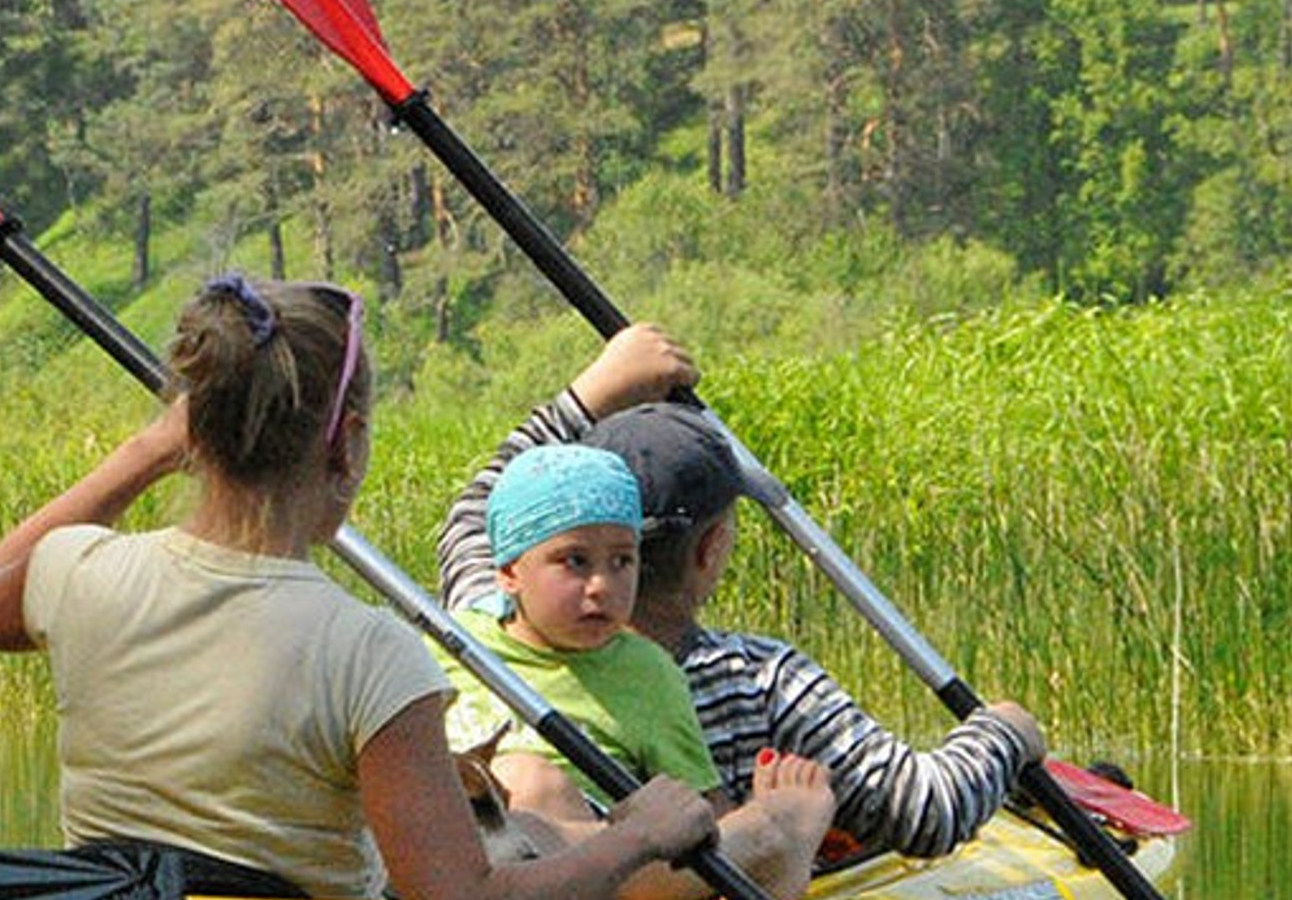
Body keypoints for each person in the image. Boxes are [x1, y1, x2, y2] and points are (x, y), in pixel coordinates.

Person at [0, 274, 717, 900]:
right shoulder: (371, 650)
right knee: (565, 832)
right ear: (348, 444)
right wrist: (633, 838)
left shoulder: (81, 571)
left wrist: (150, 449)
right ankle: (771, 832)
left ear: (197, 430)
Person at [438, 323, 1047, 860]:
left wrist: (591, 391)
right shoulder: (761, 681)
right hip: (613, 894)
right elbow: (924, 811)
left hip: (548, 871)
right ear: (711, 549)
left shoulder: (484, 611)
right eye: (577, 560)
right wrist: (1005, 733)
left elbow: (474, 509)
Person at [441, 440, 836, 900]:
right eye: (575, 561)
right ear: (509, 573)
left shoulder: (647, 673)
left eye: (622, 561)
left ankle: (771, 834)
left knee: (529, 780)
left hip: (595, 861)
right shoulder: (451, 642)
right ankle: (765, 835)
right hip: (461, 844)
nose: (602, 586)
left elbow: (700, 810)